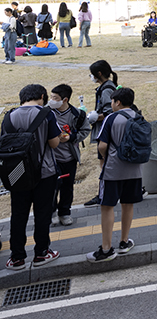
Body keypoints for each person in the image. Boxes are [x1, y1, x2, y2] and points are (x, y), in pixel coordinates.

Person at [4, 83, 62, 270]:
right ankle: (42, 253)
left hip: (17, 173)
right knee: (42, 213)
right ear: (43, 97)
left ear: (22, 98)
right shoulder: (47, 114)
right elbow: (54, 143)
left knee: (18, 214)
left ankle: (17, 258)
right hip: (44, 172)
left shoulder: (9, 116)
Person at [85, 86, 143, 263]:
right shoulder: (138, 117)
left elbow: (102, 146)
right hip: (134, 170)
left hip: (113, 171)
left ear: (117, 102)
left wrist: (105, 157)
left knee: (107, 206)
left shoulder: (111, 118)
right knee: (128, 204)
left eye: (112, 101)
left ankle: (106, 248)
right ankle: (124, 242)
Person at [49, 83, 91, 227]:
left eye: (55, 98)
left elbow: (85, 130)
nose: (51, 100)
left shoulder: (77, 115)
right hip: (51, 159)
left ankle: (64, 213)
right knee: (50, 187)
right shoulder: (46, 112)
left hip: (69, 158)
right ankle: (52, 212)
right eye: (51, 97)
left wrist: (71, 137)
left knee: (67, 187)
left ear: (65, 99)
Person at [83, 59, 119, 207]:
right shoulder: (107, 87)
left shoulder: (106, 90)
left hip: (106, 132)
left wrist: (93, 118)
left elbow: (109, 112)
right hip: (109, 131)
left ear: (98, 74)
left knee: (105, 165)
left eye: (92, 74)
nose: (91, 77)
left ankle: (103, 195)